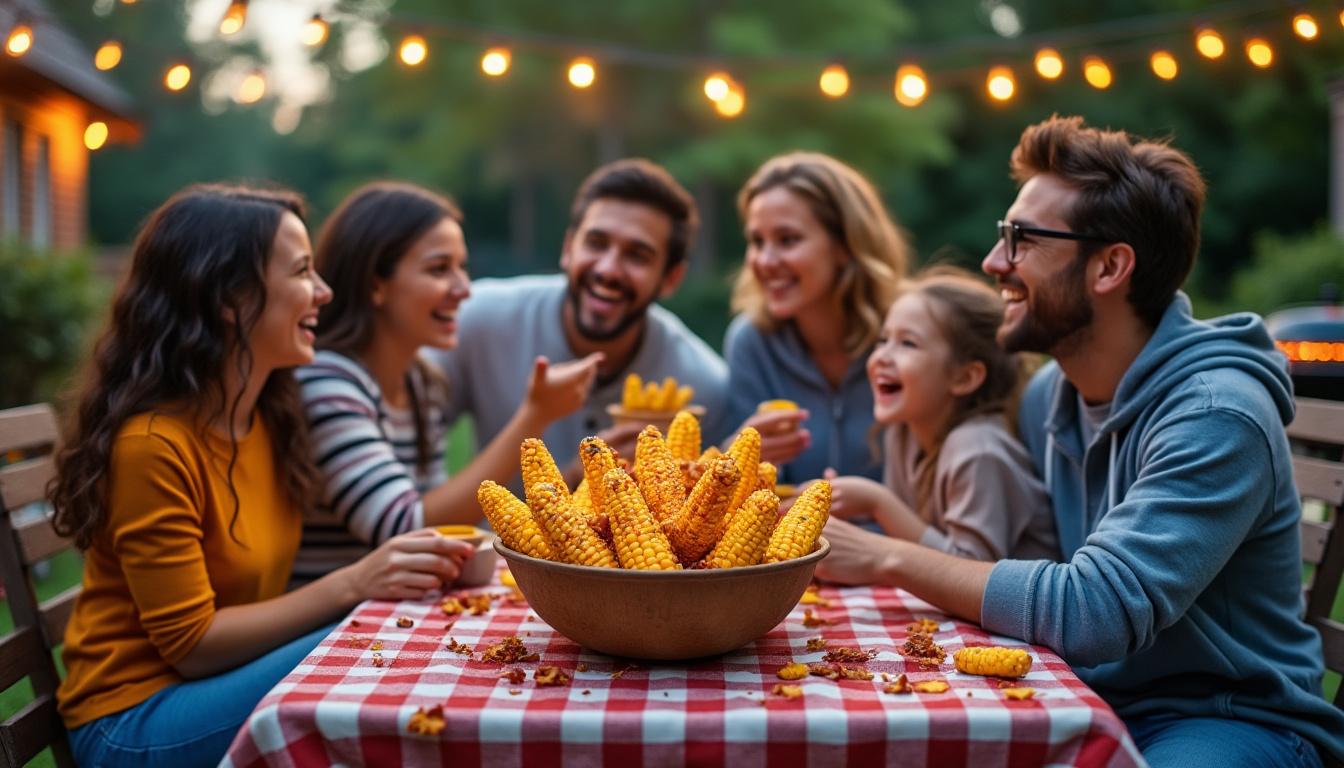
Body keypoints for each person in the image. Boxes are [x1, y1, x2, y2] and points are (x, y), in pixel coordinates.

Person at [815, 116, 1344, 766]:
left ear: (1110, 267)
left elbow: (1095, 611)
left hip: (1227, 718)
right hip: (1091, 693)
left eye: (1021, 239)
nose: (994, 262)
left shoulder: (1216, 414)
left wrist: (885, 556)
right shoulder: (1051, 394)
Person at [48, 185, 471, 768]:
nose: (324, 291)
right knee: (370, 647)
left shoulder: (270, 420)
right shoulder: (154, 446)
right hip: (133, 720)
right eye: (301, 272)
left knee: (388, 644)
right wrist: (354, 583)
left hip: (212, 687)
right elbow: (191, 646)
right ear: (231, 298)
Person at [291, 181, 600, 580]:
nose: (463, 289)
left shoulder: (422, 382)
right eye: (439, 269)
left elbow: (439, 522)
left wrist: (573, 481)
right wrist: (534, 417)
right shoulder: (328, 384)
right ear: (375, 285)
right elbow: (407, 526)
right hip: (338, 613)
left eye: (461, 267)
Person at [425, 158, 729, 475]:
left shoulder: (706, 387)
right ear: (568, 248)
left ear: (671, 278)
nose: (608, 269)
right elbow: (408, 485)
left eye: (637, 256)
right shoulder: (476, 321)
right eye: (596, 243)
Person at [819, 266, 1057, 561]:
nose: (881, 357)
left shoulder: (978, 451)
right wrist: (849, 517)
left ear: (964, 377)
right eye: (883, 340)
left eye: (908, 343)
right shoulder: (903, 432)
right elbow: (912, 544)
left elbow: (970, 572)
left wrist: (879, 504)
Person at [723, 151, 909, 483]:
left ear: (845, 245)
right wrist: (736, 456)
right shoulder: (751, 342)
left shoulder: (913, 333)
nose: (765, 261)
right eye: (757, 241)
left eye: (787, 240)